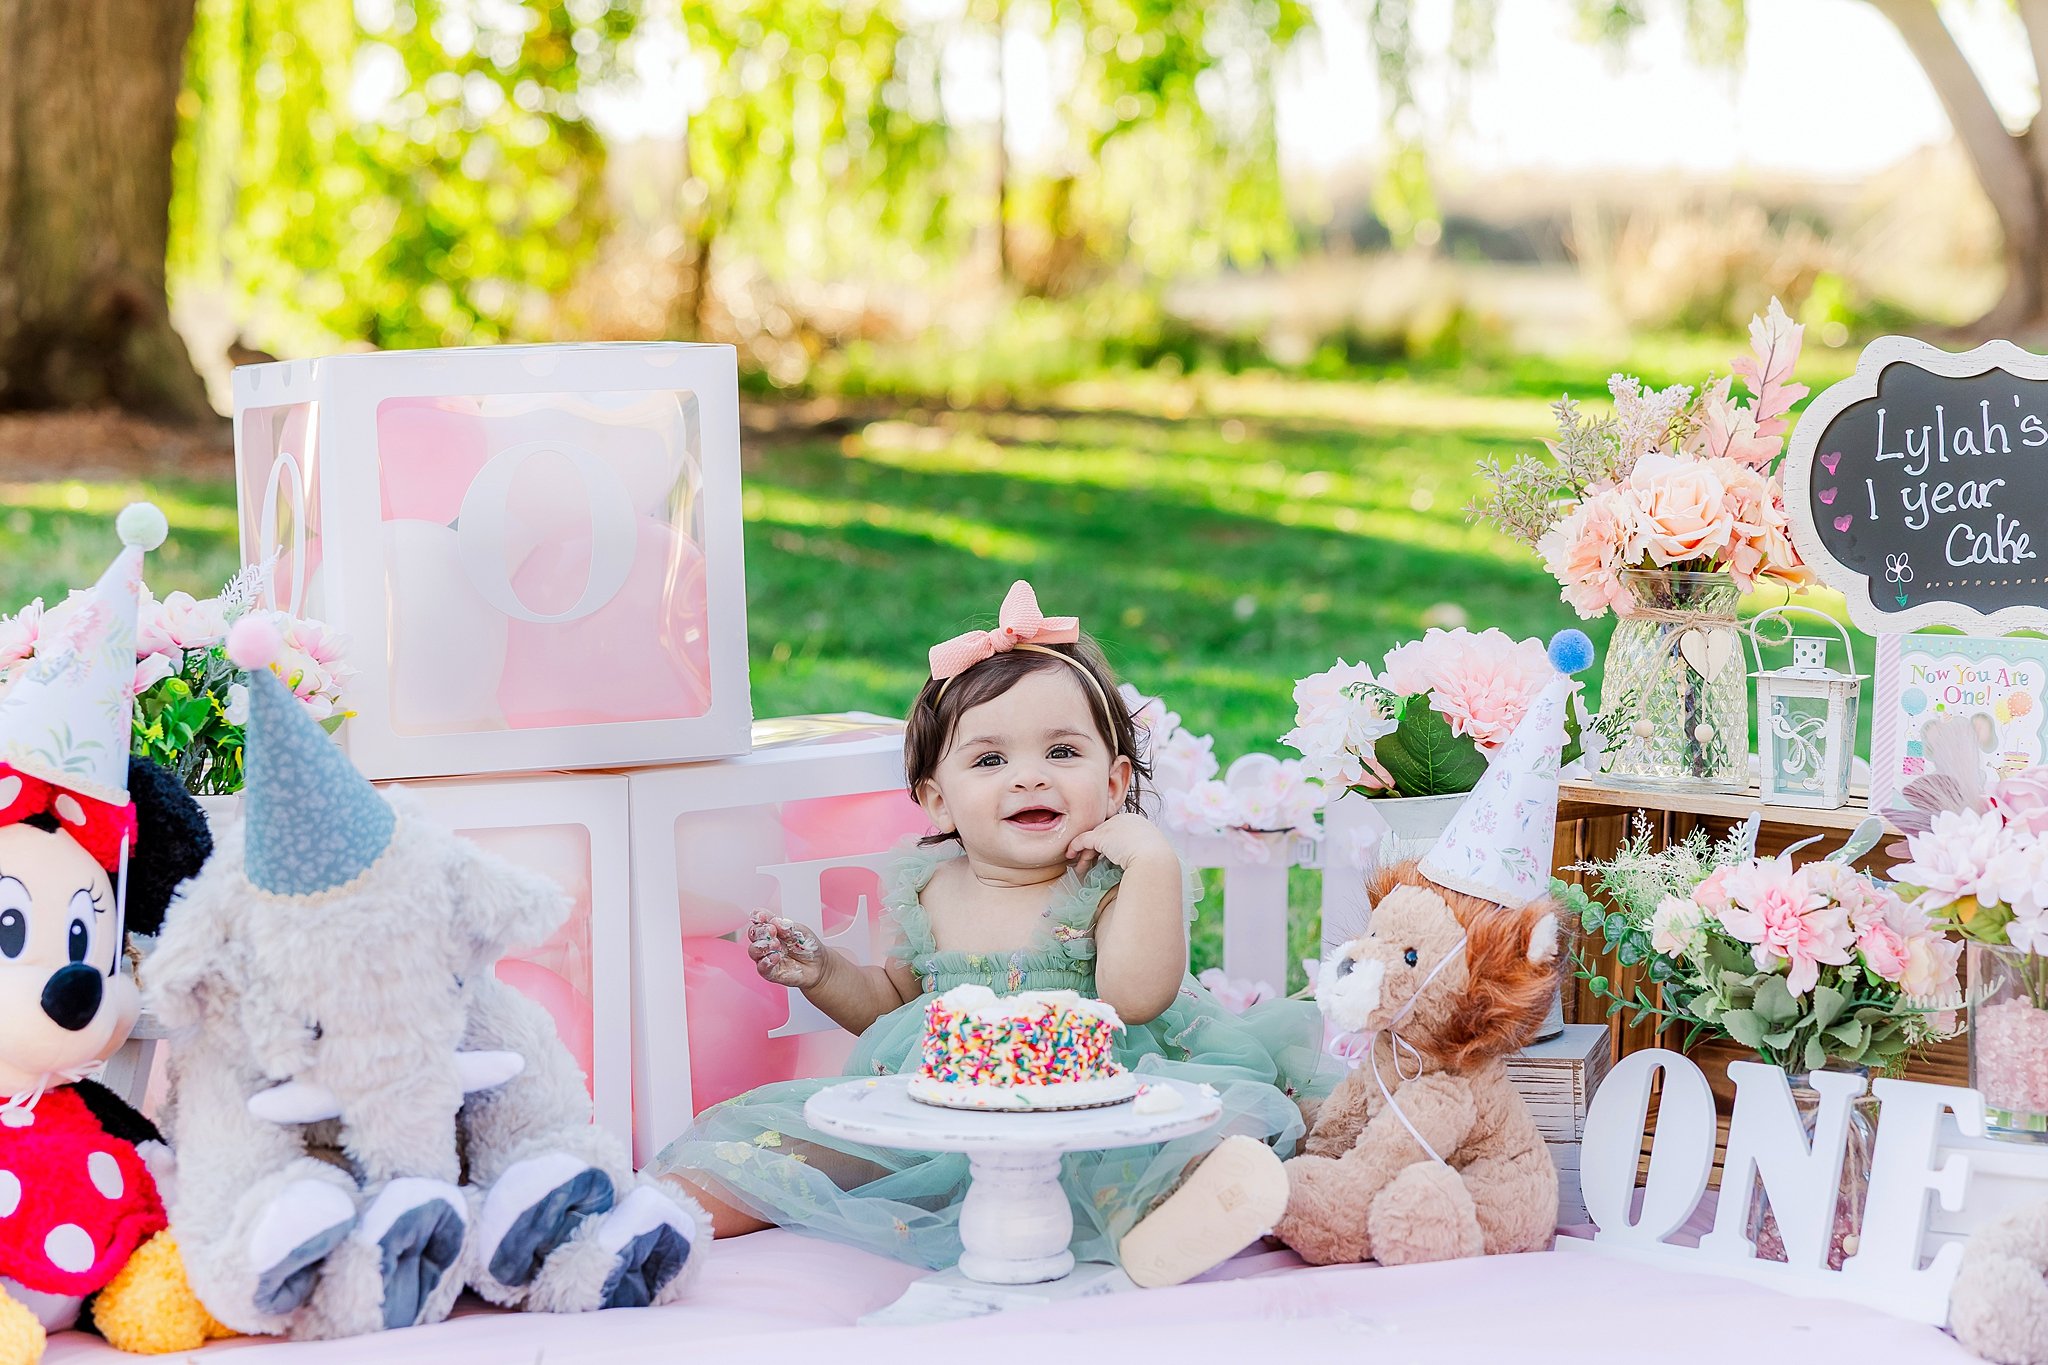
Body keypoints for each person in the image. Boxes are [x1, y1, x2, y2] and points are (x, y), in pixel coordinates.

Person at [652, 581, 1330, 1286]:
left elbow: (1135, 998)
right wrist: (826, 973)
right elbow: (893, 1003)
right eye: (989, 760)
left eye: (1062, 752)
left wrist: (1152, 860)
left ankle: (1171, 1218)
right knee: (776, 1145)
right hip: (943, 1115)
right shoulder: (928, 886)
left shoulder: (1108, 882)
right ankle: (657, 1218)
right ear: (937, 800)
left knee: (1214, 1132)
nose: (1029, 778)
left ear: (1113, 784)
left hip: (1101, 1106)